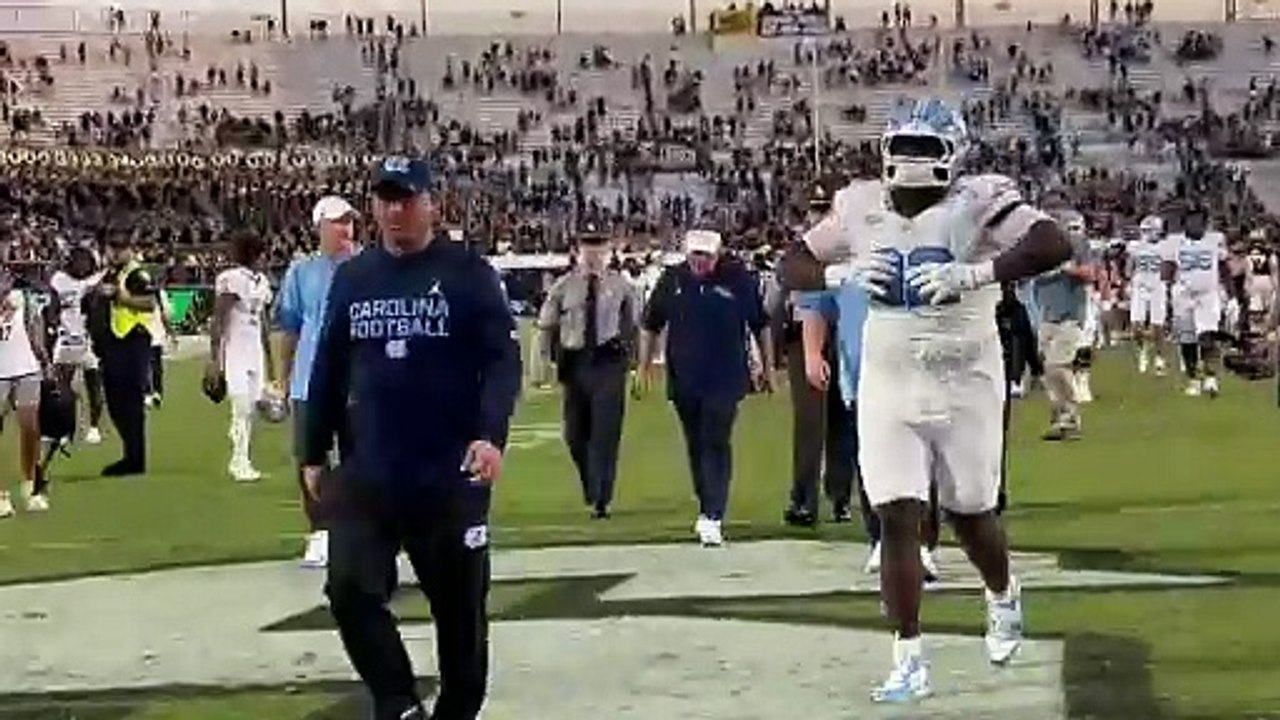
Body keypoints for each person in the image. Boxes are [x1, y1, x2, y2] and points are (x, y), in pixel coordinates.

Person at [802, 98, 1071, 703]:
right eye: (909, 147)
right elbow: (794, 259)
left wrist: (978, 274)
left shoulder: (980, 200)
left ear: (955, 154)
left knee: (971, 513)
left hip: (965, 377)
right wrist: (835, 277)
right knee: (896, 513)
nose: (915, 161)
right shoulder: (859, 203)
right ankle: (908, 656)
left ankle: (1001, 594)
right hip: (889, 378)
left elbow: (1054, 243)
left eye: (929, 149)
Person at [302, 156, 521, 720]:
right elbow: (328, 364)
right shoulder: (355, 277)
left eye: (406, 199)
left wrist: (491, 435)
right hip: (370, 468)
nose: (395, 210)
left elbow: (502, 361)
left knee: (460, 617)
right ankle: (398, 702)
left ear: (431, 204)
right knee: (348, 589)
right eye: (385, 199)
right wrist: (311, 450)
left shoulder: (469, 274)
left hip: (449, 473)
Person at [636, 229, 773, 547]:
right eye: (695, 255)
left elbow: (761, 324)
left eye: (706, 255)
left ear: (718, 254)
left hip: (726, 377)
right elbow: (650, 324)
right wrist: (643, 366)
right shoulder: (673, 279)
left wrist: (768, 368)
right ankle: (706, 504)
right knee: (696, 444)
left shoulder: (737, 278)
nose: (700, 261)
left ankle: (713, 513)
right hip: (685, 378)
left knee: (716, 440)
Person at [276, 194, 359, 568]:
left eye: (349, 221)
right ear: (320, 227)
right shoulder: (302, 272)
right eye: (338, 222)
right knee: (311, 460)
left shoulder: (368, 267)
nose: (346, 228)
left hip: (358, 381)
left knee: (361, 457)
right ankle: (320, 532)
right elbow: (289, 328)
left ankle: (362, 530)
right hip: (310, 379)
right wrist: (282, 378)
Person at [537, 225, 639, 519]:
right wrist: (543, 362)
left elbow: (632, 324)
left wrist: (630, 361)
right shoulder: (563, 286)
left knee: (605, 433)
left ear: (608, 251)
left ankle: (602, 499)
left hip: (608, 362)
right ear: (578, 251)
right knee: (575, 434)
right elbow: (546, 325)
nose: (593, 253)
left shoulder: (621, 286)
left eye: (599, 247)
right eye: (588, 247)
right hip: (575, 362)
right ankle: (590, 482)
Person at [207, 231, 276, 482]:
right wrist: (215, 358)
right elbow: (219, 318)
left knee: (255, 406)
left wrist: (269, 358)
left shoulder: (263, 282)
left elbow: (263, 321)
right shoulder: (232, 279)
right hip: (234, 350)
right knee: (242, 407)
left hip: (254, 350)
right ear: (256, 255)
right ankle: (239, 462)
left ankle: (241, 453)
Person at [93, 242, 155, 476]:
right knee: (116, 403)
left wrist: (120, 296)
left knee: (130, 403)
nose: (114, 252)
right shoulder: (112, 272)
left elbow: (149, 304)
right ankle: (130, 454)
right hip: (113, 344)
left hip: (132, 341)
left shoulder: (137, 273)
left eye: (119, 248)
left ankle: (135, 459)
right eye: (112, 247)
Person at [1033, 210, 1094, 441]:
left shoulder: (1078, 246)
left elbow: (1090, 273)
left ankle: (1069, 417)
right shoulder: (1039, 252)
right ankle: (1060, 416)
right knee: (1045, 370)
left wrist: (1068, 269)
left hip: (1070, 314)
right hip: (1047, 315)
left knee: (1057, 366)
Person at [0, 267, 50, 516]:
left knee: (30, 427)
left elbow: (35, 329)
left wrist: (45, 360)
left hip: (26, 369)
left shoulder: (22, 300)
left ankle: (30, 485)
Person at [48, 245, 106, 444]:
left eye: (86, 262)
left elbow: (96, 311)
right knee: (63, 391)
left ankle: (94, 427)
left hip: (86, 340)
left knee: (94, 386)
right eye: (79, 262)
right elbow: (52, 309)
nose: (83, 266)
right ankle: (64, 430)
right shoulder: (59, 281)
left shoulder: (91, 284)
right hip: (65, 341)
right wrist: (52, 326)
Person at [1172, 205, 1230, 398]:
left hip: (1207, 294)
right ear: (1185, 221)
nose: (1196, 223)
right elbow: (1167, 267)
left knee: (1208, 336)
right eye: (1191, 219)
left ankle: (1211, 378)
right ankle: (1193, 379)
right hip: (1183, 294)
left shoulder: (1215, 239)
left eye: (1199, 219)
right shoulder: (1175, 242)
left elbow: (1224, 266)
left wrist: (1231, 293)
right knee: (1187, 341)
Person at [1127, 214, 1176, 376]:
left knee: (1158, 327)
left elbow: (1170, 267)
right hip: (1140, 286)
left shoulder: (1165, 247)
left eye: (1150, 231)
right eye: (1145, 231)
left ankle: (1160, 358)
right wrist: (1128, 282)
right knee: (1136, 327)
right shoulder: (1135, 247)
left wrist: (1167, 284)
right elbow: (1129, 267)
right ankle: (1143, 351)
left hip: (1157, 286)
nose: (1147, 234)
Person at [145, 279, 175, 407]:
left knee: (151, 366)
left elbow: (165, 315)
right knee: (153, 366)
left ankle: (152, 393)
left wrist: (171, 332)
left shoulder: (158, 294)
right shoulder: (157, 293)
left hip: (153, 336)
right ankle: (154, 392)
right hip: (145, 336)